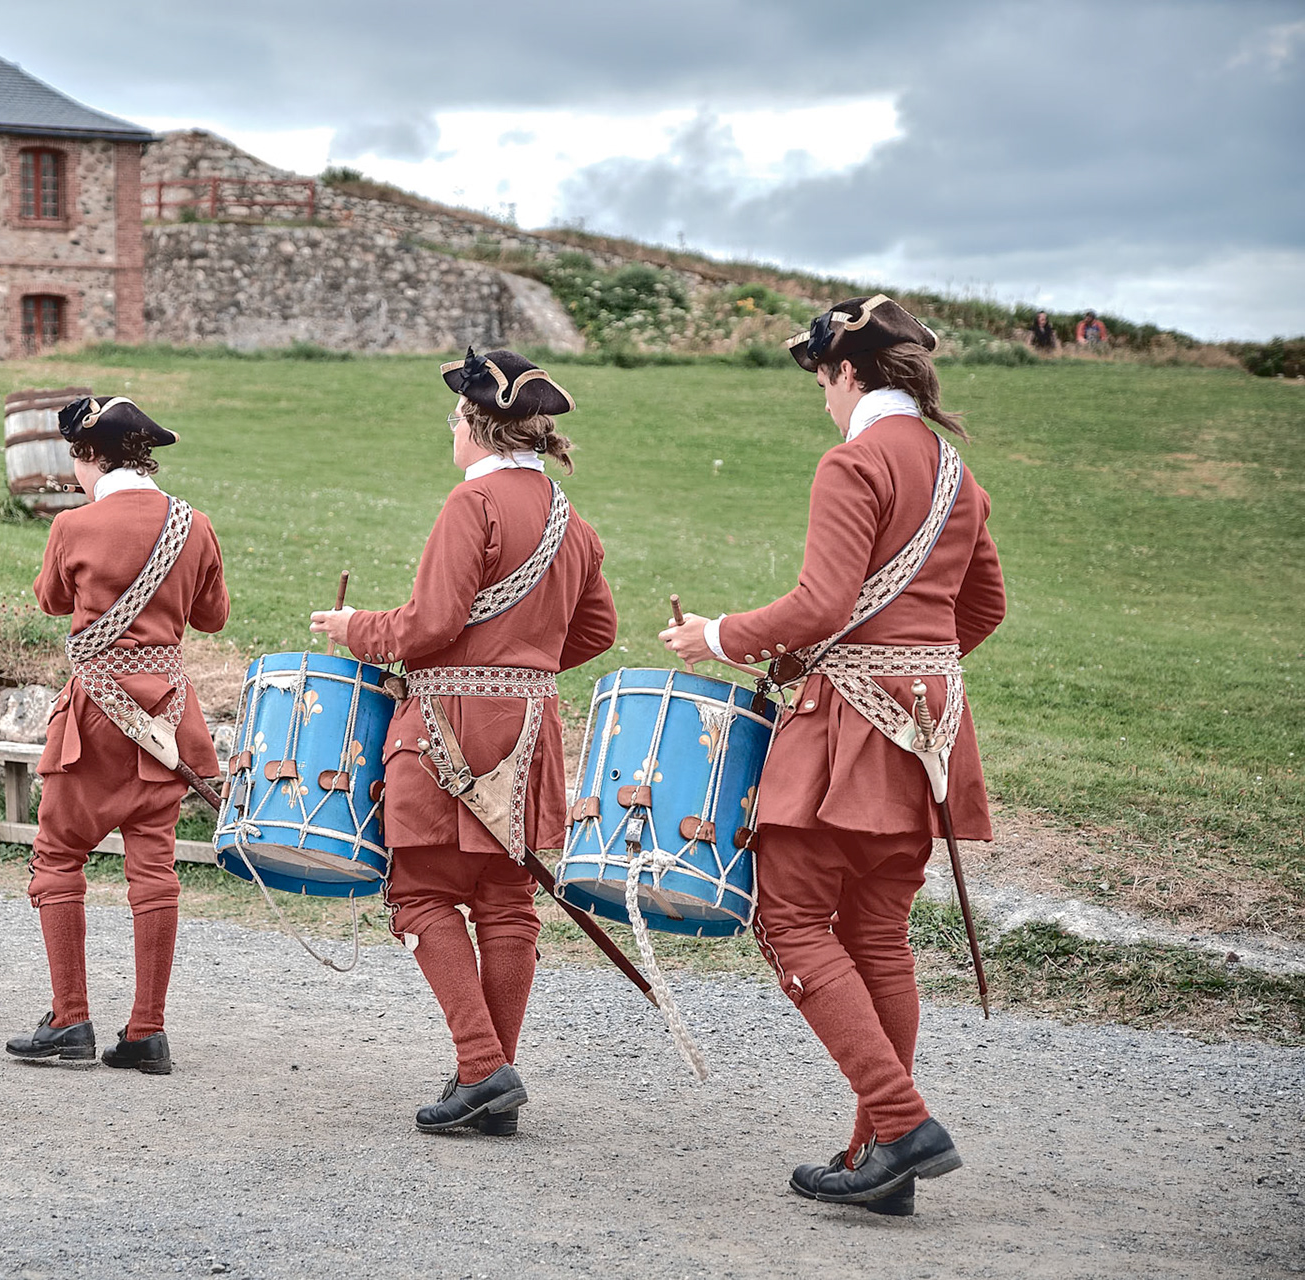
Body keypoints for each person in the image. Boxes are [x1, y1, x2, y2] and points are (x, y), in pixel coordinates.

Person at [662, 295, 1005, 1216]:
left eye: (821, 377)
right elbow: (983, 610)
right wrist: (912, 667)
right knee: (880, 935)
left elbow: (820, 605)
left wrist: (717, 635)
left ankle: (899, 1122)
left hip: (847, 728)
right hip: (927, 730)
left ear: (848, 371)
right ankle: (876, 1156)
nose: (821, 395)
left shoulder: (855, 459)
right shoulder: (954, 472)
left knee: (793, 917)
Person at [310, 348, 618, 1136]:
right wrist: (524, 663)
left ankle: (482, 1068)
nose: (450, 432)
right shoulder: (568, 518)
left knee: (419, 891)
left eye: (454, 419)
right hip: (531, 725)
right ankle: (490, 1083)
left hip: (448, 720)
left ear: (477, 425)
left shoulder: (470, 505)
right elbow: (598, 630)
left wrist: (357, 631)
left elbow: (431, 626)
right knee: (507, 901)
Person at [5, 396, 228, 1074]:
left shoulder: (75, 524)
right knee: (153, 868)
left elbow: (49, 599)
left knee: (57, 855)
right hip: (164, 716)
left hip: (97, 714)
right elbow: (212, 618)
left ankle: (70, 1017)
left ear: (87, 455)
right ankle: (146, 1032)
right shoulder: (195, 524)